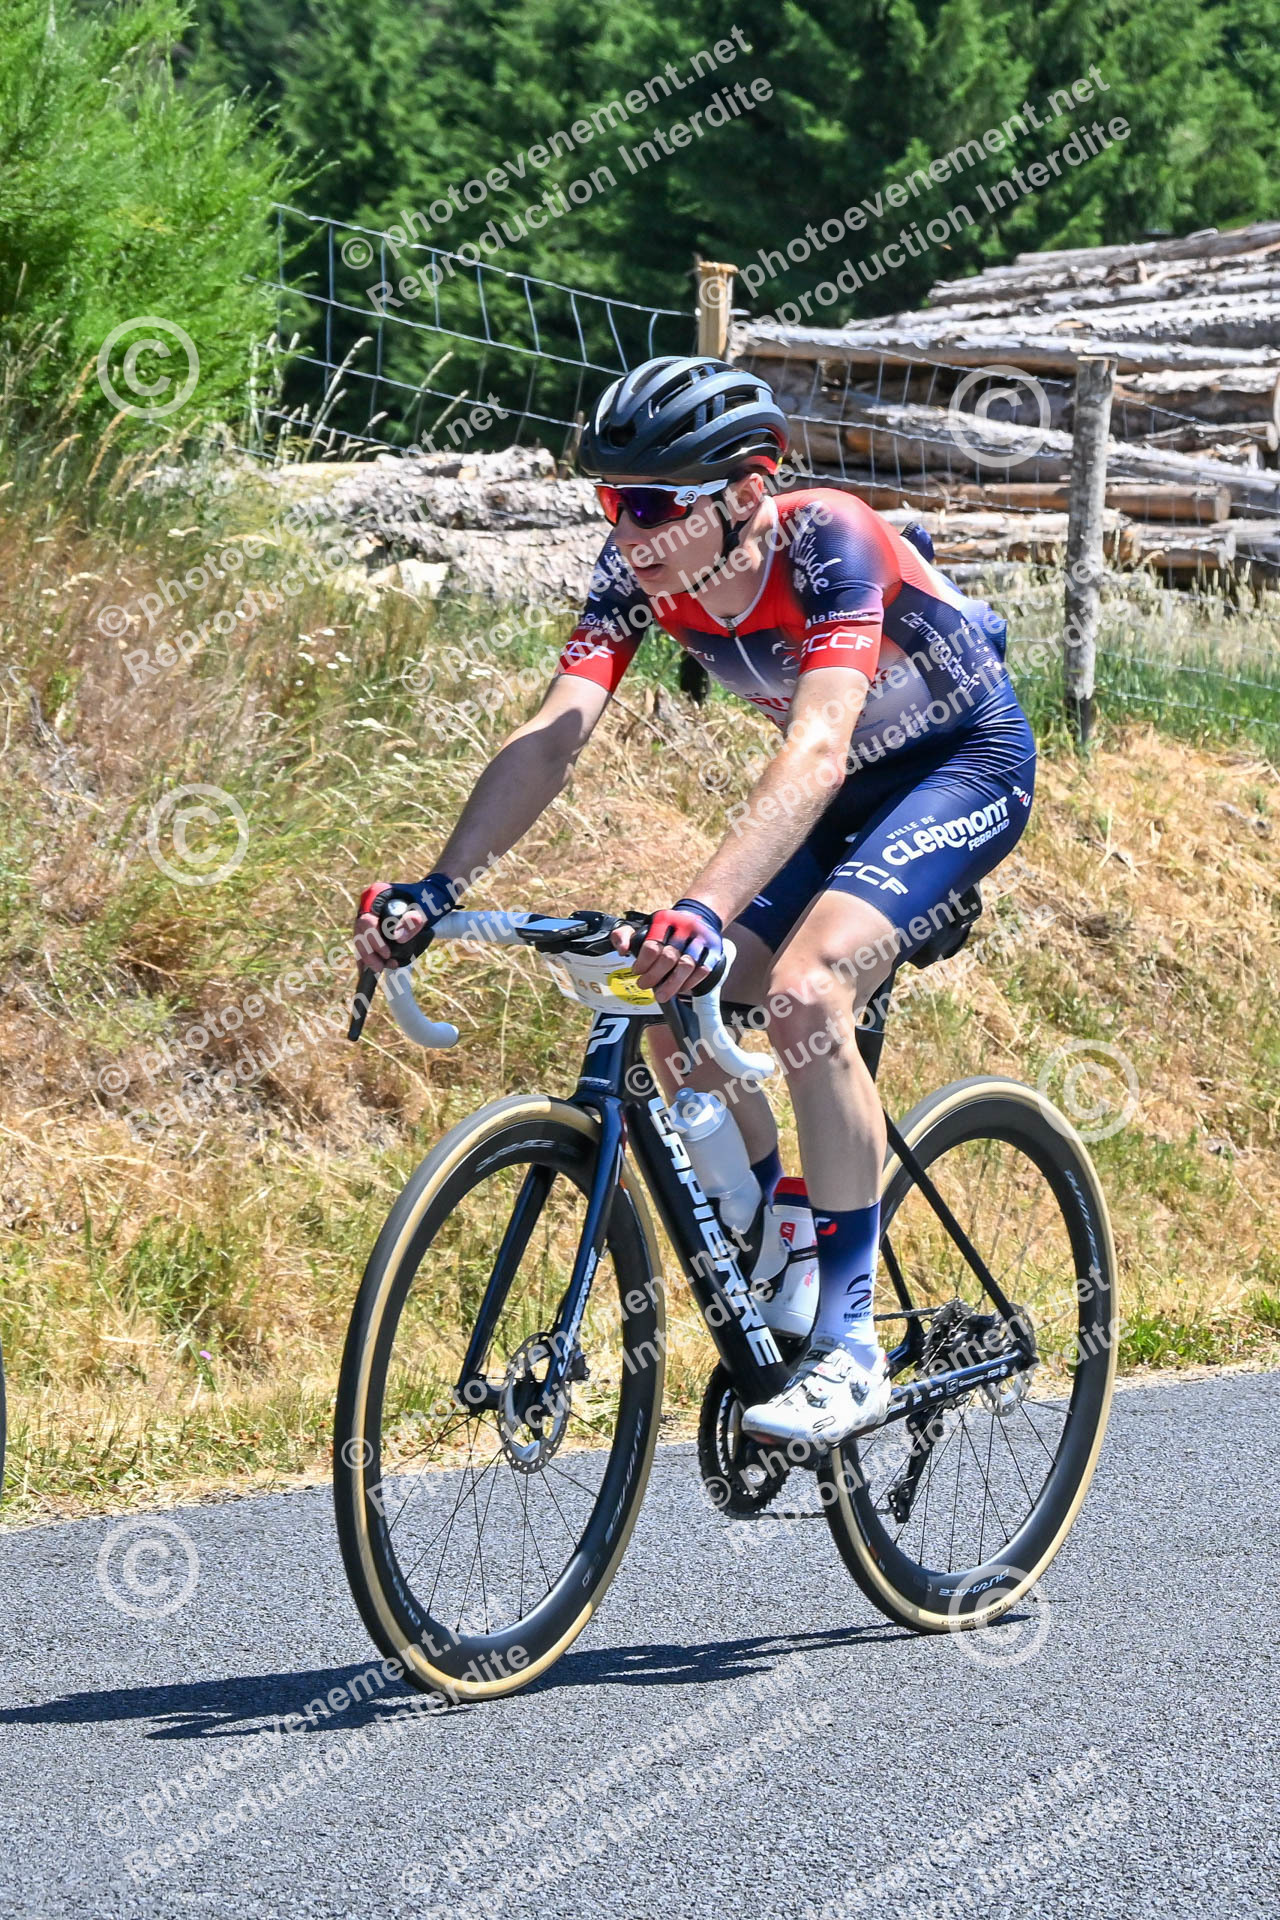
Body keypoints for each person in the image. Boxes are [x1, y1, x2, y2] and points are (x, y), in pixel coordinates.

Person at [355, 355, 1036, 1447]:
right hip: (836, 797)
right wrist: (438, 885)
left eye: (653, 506)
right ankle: (785, 1247)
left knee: (806, 995)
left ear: (746, 492)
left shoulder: (829, 540)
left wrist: (705, 908)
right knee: (676, 1013)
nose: (627, 530)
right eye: (610, 500)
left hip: (958, 767)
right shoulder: (637, 571)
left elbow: (817, 746)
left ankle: (851, 1348)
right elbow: (552, 737)